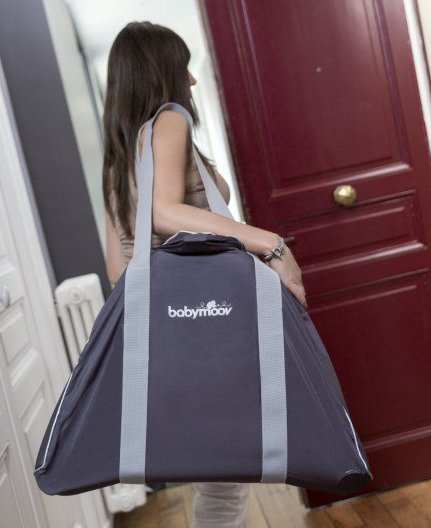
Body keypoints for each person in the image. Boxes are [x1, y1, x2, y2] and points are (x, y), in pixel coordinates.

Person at [102, 21, 307, 528]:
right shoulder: (171, 120)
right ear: (162, 71)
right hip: (205, 324)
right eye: (184, 67)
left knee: (215, 477)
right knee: (224, 483)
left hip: (163, 334)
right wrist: (272, 244)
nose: (191, 80)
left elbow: (118, 267)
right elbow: (165, 213)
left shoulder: (118, 154)